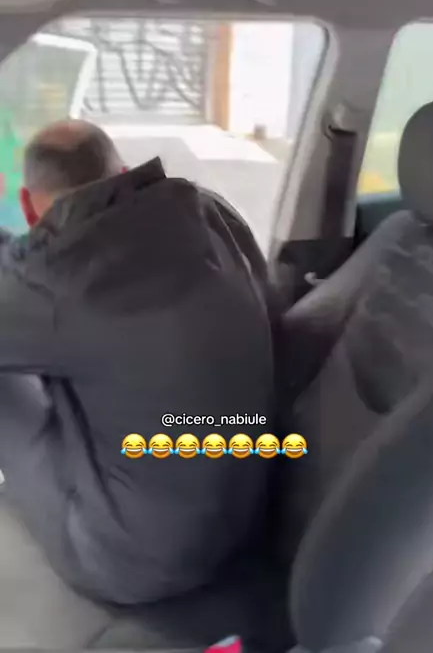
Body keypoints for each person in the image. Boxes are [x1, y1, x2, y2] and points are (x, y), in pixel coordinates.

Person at [0, 119, 274, 604]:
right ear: (124, 174)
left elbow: (36, 289)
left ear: (27, 205)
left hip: (135, 562)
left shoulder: (54, 283)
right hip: (247, 512)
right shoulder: (206, 210)